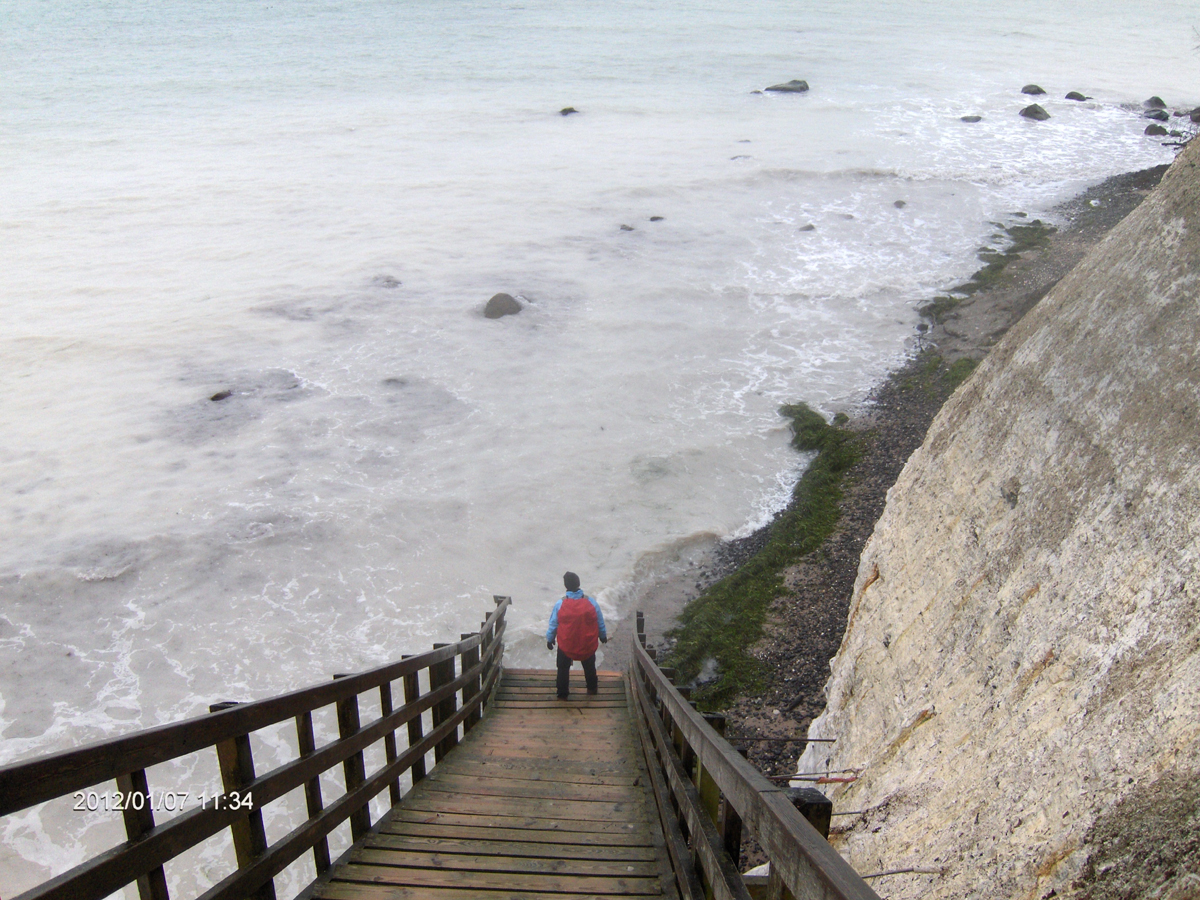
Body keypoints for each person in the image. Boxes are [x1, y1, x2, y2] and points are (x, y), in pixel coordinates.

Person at [546, 571, 607, 699]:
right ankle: (592, 688)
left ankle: (562, 693)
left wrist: (550, 639)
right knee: (589, 666)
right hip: (586, 643)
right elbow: (599, 621)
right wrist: (603, 635)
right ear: (578, 583)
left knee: (563, 668)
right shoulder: (591, 602)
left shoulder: (560, 604)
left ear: (566, 586)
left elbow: (553, 624)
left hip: (566, 644)